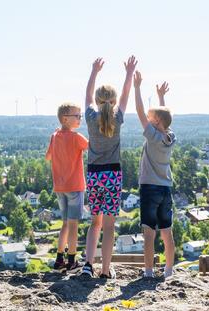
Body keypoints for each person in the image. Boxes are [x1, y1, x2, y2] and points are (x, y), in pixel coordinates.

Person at [80, 56, 137, 279]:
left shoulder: (90, 117)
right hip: (113, 174)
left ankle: (87, 265)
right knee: (110, 227)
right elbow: (125, 95)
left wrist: (94, 71)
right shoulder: (118, 117)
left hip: (94, 175)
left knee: (95, 223)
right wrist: (129, 73)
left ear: (97, 100)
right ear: (113, 102)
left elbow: (86, 95)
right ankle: (105, 270)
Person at [133, 70, 176, 278]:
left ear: (156, 123)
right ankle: (169, 270)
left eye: (152, 119)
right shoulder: (170, 136)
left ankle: (149, 272)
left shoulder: (152, 136)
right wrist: (161, 97)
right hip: (165, 188)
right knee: (167, 231)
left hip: (149, 187)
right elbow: (164, 118)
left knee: (149, 232)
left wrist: (137, 88)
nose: (147, 120)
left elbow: (141, 112)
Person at [45, 102, 88, 272]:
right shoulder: (77, 137)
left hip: (59, 187)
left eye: (80, 116)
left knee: (64, 224)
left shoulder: (54, 136)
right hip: (75, 186)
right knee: (73, 225)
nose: (80, 119)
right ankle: (72, 261)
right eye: (77, 116)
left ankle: (59, 259)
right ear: (65, 118)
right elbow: (93, 147)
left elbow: (48, 157)